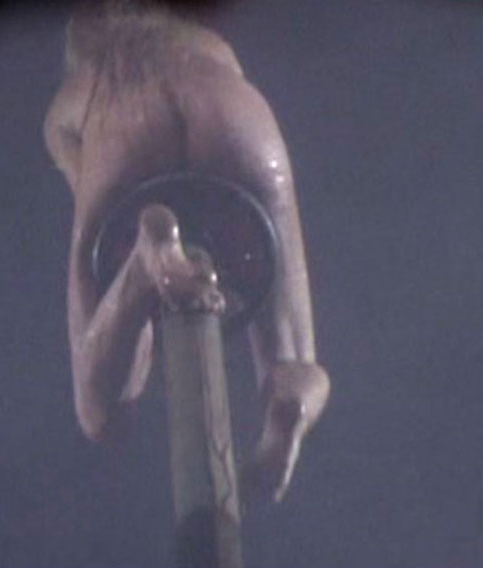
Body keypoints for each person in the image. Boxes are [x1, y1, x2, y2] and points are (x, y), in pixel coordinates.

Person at [44, 1, 330, 502]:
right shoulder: (206, 44)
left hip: (120, 120)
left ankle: (148, 258)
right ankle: (291, 401)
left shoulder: (72, 97)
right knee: (296, 356)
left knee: (99, 407)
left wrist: (146, 294)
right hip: (236, 112)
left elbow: (103, 237)